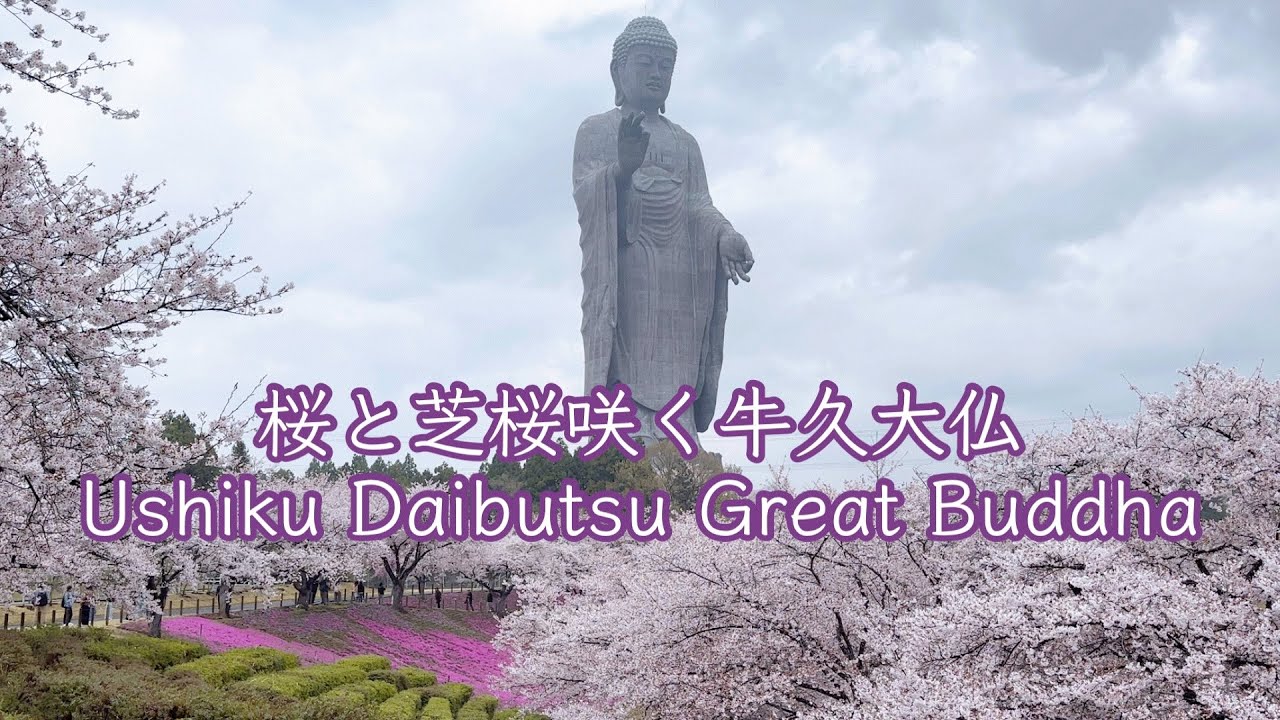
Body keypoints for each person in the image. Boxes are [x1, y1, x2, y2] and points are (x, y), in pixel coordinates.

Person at [573, 16, 755, 446]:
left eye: (666, 66)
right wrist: (622, 169)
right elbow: (586, 193)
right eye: (645, 63)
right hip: (629, 265)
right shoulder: (597, 130)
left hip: (681, 275)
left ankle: (679, 429)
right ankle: (629, 428)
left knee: (679, 351)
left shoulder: (685, 143)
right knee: (628, 348)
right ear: (618, 71)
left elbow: (699, 205)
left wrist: (724, 233)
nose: (657, 74)